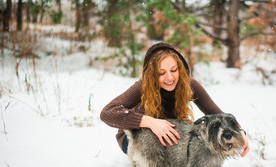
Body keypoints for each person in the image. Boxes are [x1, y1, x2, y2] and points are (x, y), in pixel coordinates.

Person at [100, 42, 249, 157]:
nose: (170, 77)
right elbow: (107, 112)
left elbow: (216, 113)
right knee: (159, 158)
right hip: (135, 138)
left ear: (180, 68)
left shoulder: (189, 85)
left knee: (191, 144)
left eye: (173, 70)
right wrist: (150, 122)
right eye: (161, 73)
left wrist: (238, 130)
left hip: (169, 138)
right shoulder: (143, 87)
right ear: (152, 74)